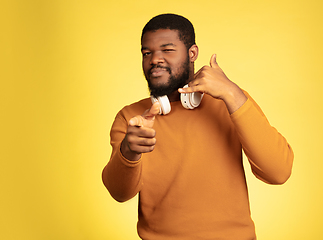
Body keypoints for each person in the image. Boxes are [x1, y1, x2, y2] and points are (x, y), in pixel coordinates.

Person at [102, 13, 294, 240]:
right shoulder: (131, 118)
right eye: (147, 53)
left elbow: (278, 172)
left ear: (192, 54)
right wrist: (129, 151)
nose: (154, 59)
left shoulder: (230, 102)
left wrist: (233, 93)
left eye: (167, 49)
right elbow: (120, 193)